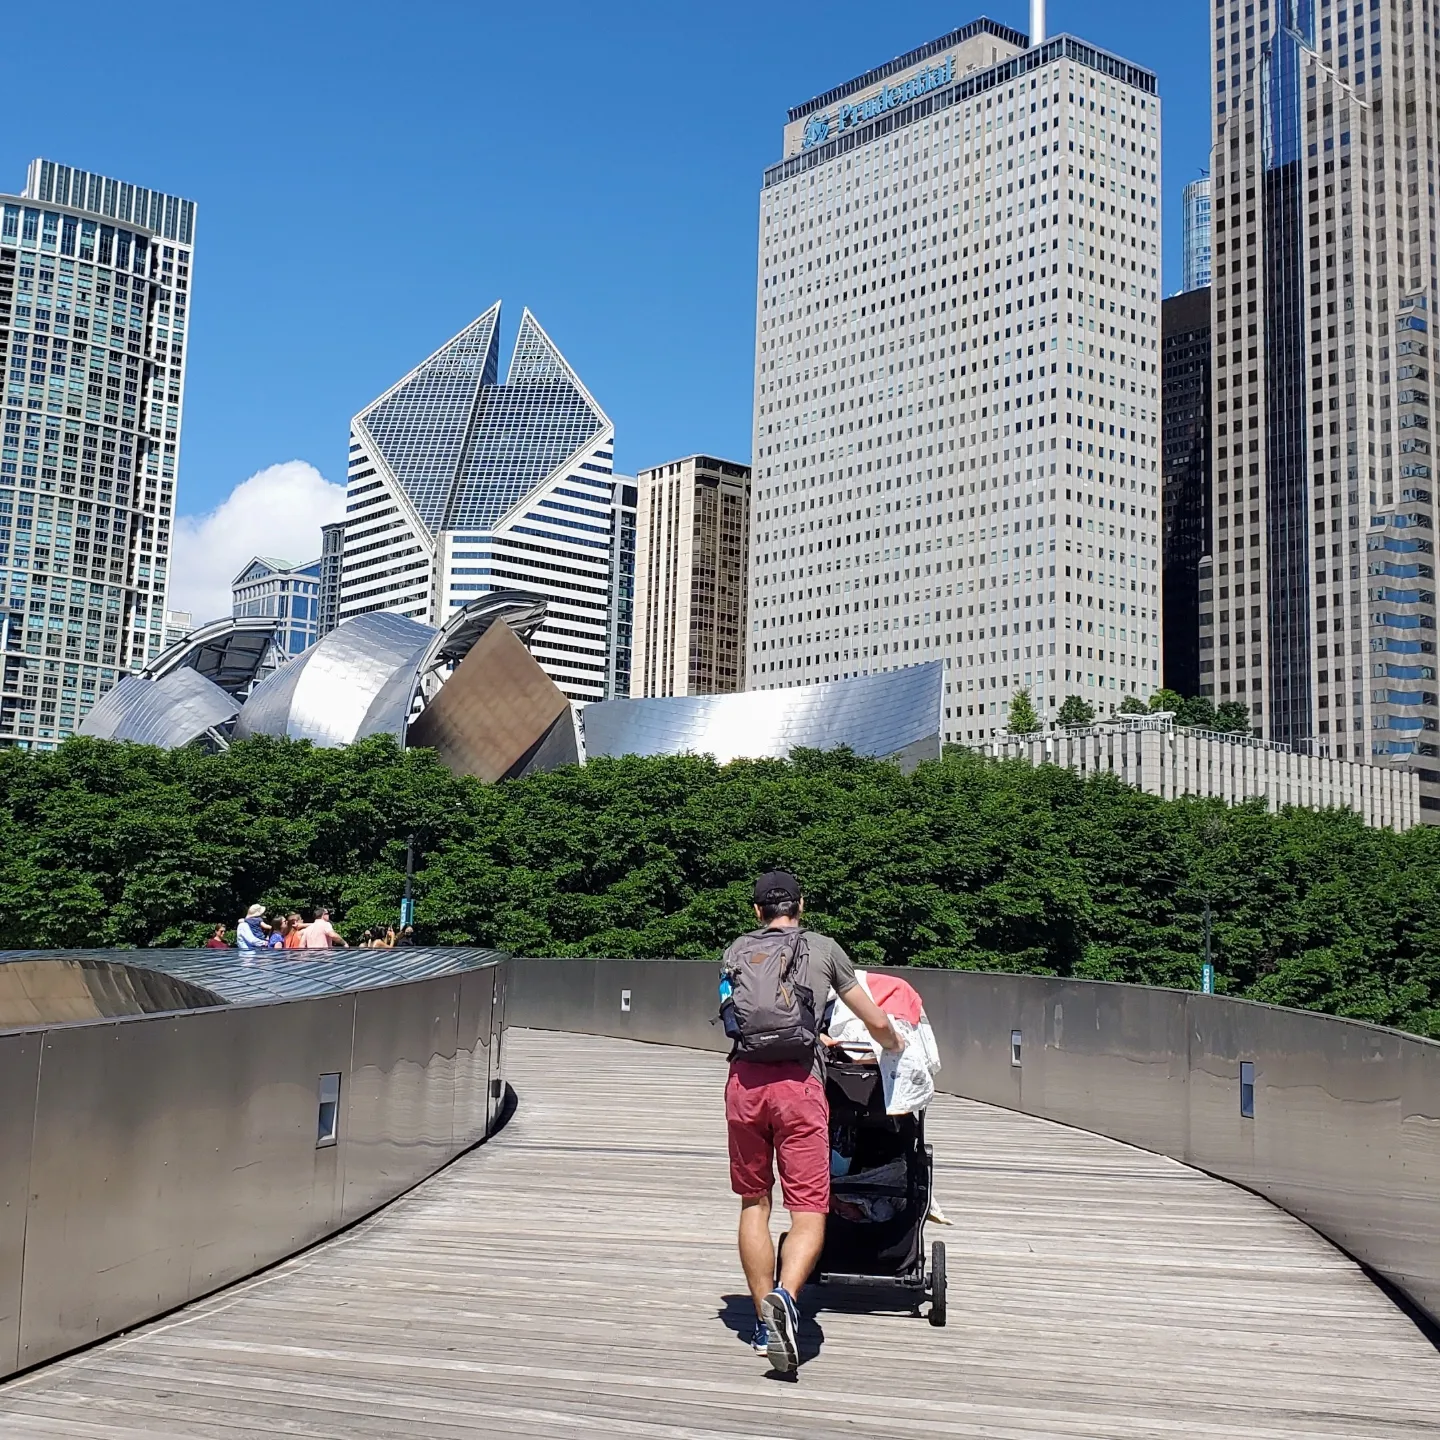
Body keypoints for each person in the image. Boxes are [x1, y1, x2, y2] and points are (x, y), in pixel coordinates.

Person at [720, 870, 899, 1375]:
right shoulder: (824, 949)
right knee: (808, 1210)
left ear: (757, 911)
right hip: (799, 1091)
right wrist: (895, 1046)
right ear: (801, 905)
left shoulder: (735, 951)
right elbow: (874, 1019)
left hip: (744, 1087)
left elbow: (740, 1020)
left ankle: (763, 1323)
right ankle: (787, 1296)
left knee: (754, 1202)